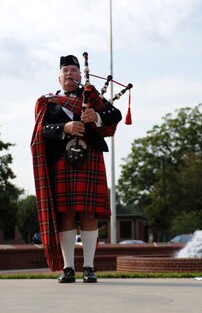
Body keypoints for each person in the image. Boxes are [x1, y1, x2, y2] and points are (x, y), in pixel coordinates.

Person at [31, 55, 122, 283]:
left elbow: (115, 114)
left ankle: (89, 267)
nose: (70, 74)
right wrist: (66, 127)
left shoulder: (91, 96)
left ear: (80, 76)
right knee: (66, 215)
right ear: (59, 77)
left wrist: (97, 116)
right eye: (66, 71)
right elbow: (42, 131)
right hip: (61, 160)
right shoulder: (47, 102)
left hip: (89, 157)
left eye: (74, 70)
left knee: (88, 213)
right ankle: (68, 267)